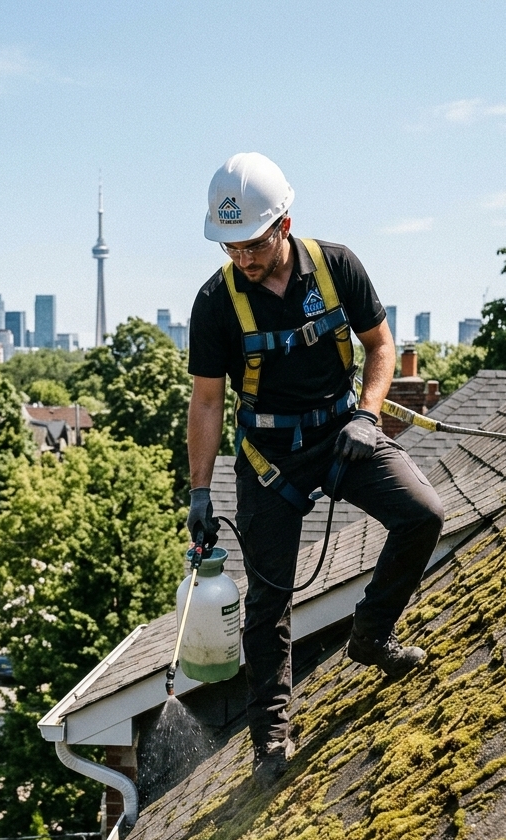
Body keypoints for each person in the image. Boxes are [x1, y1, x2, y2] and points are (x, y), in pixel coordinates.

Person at [186, 152, 444, 785]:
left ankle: (371, 635)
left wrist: (368, 414)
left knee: (424, 514)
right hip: (268, 458)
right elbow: (208, 400)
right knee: (268, 602)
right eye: (230, 248)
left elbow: (380, 346)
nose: (242, 259)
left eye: (252, 244)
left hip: (344, 436)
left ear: (284, 224)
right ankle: (271, 743)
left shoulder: (337, 267)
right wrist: (197, 491)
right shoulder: (215, 303)